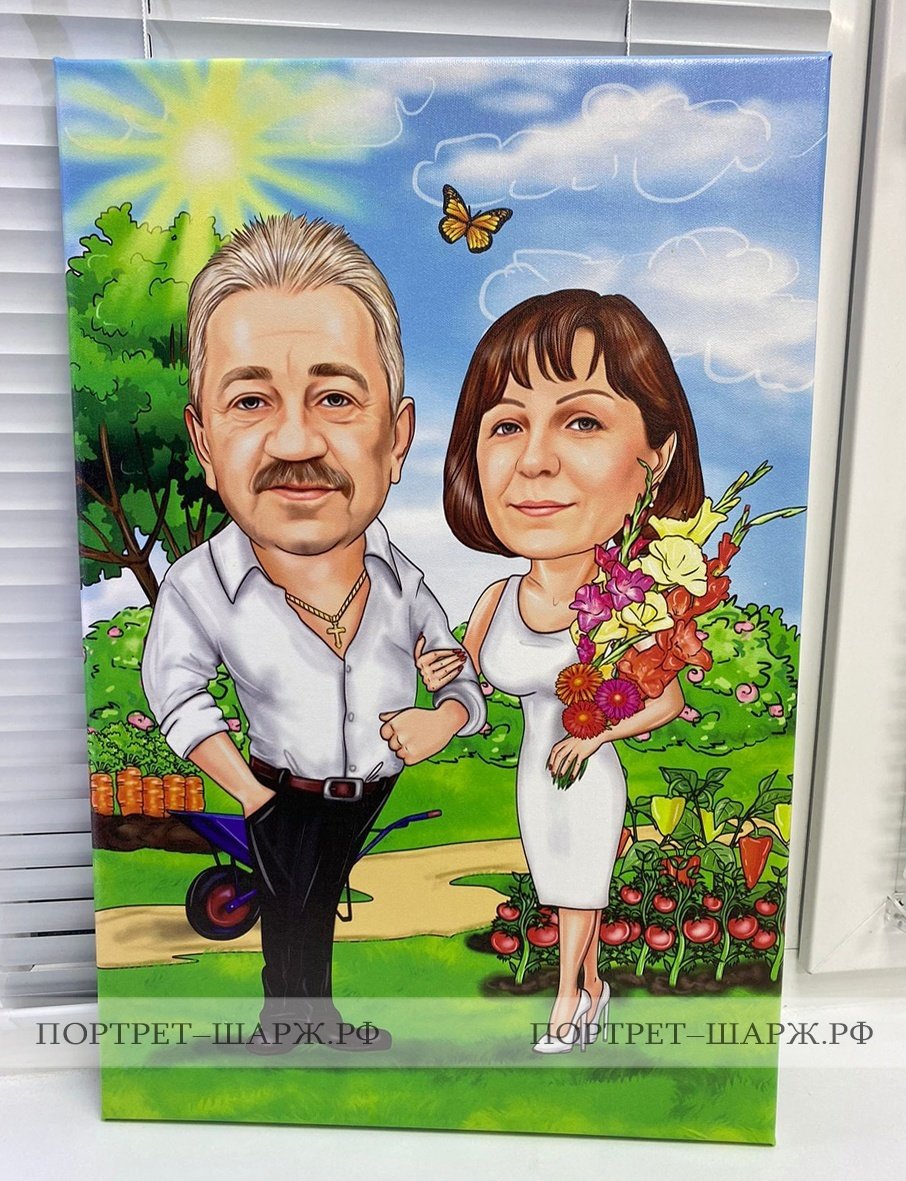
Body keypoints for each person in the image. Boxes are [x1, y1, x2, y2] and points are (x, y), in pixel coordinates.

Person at [141, 212, 485, 1053]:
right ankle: (287, 1023)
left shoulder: (403, 583)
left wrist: (444, 717)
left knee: (318, 900)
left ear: (397, 437)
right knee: (288, 901)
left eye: (335, 397)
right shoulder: (199, 587)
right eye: (250, 400)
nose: (295, 441)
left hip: (368, 788)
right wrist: (250, 793)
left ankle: (309, 1020)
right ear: (203, 442)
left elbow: (456, 673)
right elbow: (175, 691)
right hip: (276, 789)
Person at [421, 290, 703, 1052]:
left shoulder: (631, 605)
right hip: (532, 773)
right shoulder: (497, 598)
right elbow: (470, 680)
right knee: (559, 881)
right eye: (507, 425)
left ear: (658, 455)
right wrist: (444, 669)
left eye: (581, 421)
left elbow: (666, 701)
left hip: (586, 772)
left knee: (580, 887)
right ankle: (594, 985)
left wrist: (595, 737)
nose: (535, 460)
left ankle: (566, 1002)